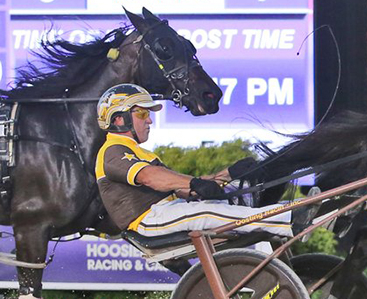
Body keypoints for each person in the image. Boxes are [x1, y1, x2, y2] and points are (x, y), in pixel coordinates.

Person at [94, 83, 316, 239]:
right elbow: (150, 177)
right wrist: (192, 184)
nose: (150, 119)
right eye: (142, 114)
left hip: (167, 210)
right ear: (119, 119)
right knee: (204, 214)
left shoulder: (140, 153)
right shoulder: (112, 151)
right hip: (147, 221)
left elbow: (183, 186)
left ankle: (310, 214)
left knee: (233, 196)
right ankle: (289, 219)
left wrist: (229, 174)